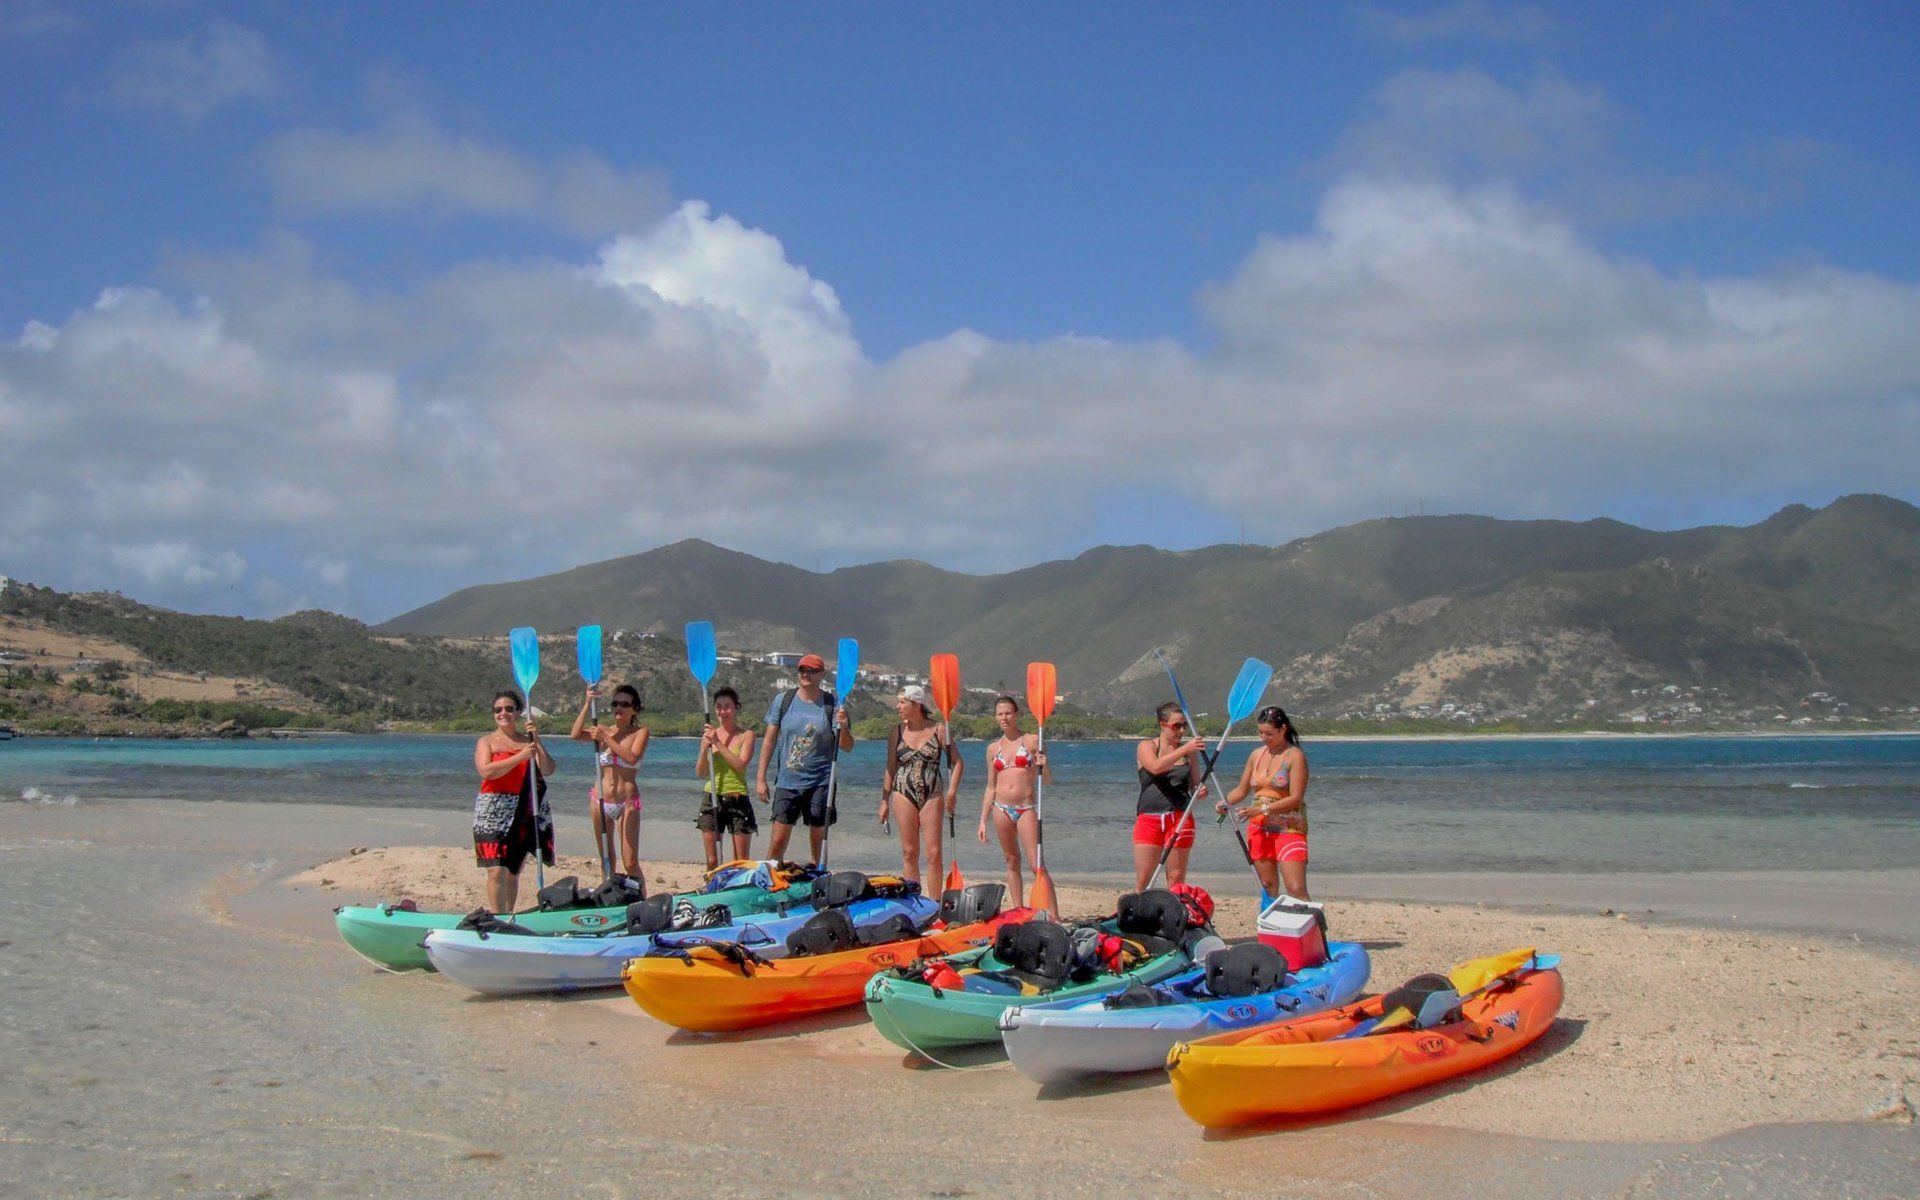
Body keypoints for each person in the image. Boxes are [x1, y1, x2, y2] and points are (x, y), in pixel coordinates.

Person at [753, 654, 853, 865]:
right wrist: (761, 778)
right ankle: (770, 873)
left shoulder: (833, 704)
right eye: (802, 670)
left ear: (821, 674)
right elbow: (769, 741)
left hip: (821, 782)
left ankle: (818, 872)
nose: (806, 674)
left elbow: (847, 746)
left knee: (818, 838)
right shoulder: (783, 700)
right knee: (778, 838)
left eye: (811, 670)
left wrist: (843, 727)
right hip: (787, 781)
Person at [472, 689, 557, 913]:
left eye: (509, 709)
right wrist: (520, 756)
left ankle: (509, 915)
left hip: (522, 809)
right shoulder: (486, 742)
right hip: (492, 809)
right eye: (498, 710)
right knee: (496, 870)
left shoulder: (528, 742)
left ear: (519, 712)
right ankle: (498, 916)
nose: (503, 713)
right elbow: (486, 771)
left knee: (512, 871)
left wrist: (536, 740)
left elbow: (548, 769)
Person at [1221, 705, 1311, 900]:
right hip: (1260, 828)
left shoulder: (1295, 756)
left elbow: (1295, 798)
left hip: (1289, 828)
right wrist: (1224, 802)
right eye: (1260, 733)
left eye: (1269, 734)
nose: (1264, 738)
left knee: (1295, 887)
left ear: (1283, 729)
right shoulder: (1256, 755)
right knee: (1267, 885)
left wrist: (1262, 809)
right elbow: (1242, 790)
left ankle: (1311, 919)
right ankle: (1271, 917)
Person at [879, 684, 964, 887]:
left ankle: (934, 901)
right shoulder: (896, 732)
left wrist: (952, 791)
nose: (898, 706)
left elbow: (958, 762)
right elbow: (890, 767)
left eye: (902, 702)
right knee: (909, 852)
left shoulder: (939, 730)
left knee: (934, 853)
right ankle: (913, 898)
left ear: (916, 705)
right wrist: (884, 801)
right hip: (902, 793)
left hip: (932, 793)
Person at [569, 683, 649, 884]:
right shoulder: (603, 730)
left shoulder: (640, 733)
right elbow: (575, 734)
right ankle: (608, 894)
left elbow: (632, 758)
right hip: (600, 800)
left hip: (627, 802)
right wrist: (587, 703)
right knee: (606, 859)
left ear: (634, 709)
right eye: (615, 704)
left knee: (630, 862)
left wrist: (606, 739)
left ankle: (641, 896)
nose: (618, 708)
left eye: (624, 704)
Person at [976, 694, 1050, 907]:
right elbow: (990, 786)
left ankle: (1054, 915)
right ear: (995, 717)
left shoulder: (1032, 741)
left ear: (1016, 715)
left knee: (1036, 864)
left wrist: (1044, 765)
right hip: (1001, 809)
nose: (1004, 717)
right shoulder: (993, 749)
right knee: (1011, 860)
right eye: (1000, 714)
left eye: (1008, 713)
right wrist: (983, 821)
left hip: (1025, 808)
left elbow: (1047, 779)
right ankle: (1018, 909)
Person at [1133, 701, 1209, 892]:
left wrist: (1200, 791)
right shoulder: (1147, 746)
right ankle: (1139, 909)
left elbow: (1195, 784)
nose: (1181, 731)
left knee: (1176, 879)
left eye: (1184, 725)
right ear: (1163, 725)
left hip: (1180, 818)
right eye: (1176, 726)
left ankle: (1174, 909)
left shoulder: (1189, 754)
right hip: (1149, 818)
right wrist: (1184, 749)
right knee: (1144, 878)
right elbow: (1155, 767)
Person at [696, 686, 759, 869]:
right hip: (712, 797)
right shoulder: (708, 736)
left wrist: (718, 742)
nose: (723, 711)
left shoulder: (746, 736)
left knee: (741, 861)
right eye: (719, 707)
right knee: (712, 861)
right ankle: (713, 884)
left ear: (736, 707)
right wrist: (704, 749)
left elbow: (740, 765)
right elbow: (701, 772)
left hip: (737, 797)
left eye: (727, 706)